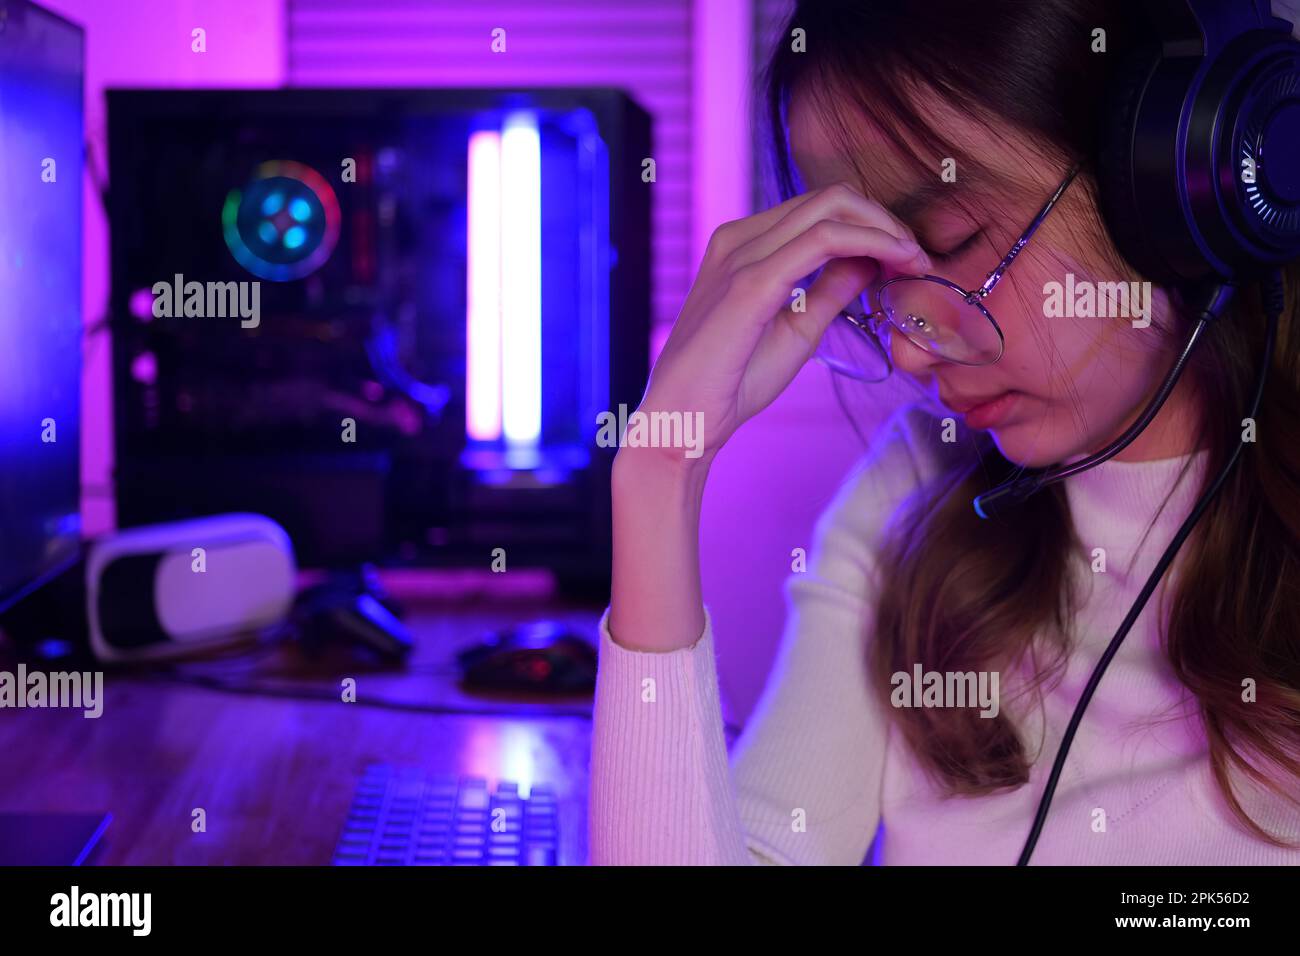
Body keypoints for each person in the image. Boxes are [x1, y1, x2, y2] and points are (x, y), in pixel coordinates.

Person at [589, 0, 1300, 864]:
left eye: (957, 241)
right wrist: (662, 468)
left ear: (1172, 176)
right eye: (874, 280)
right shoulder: (913, 490)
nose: (912, 353)